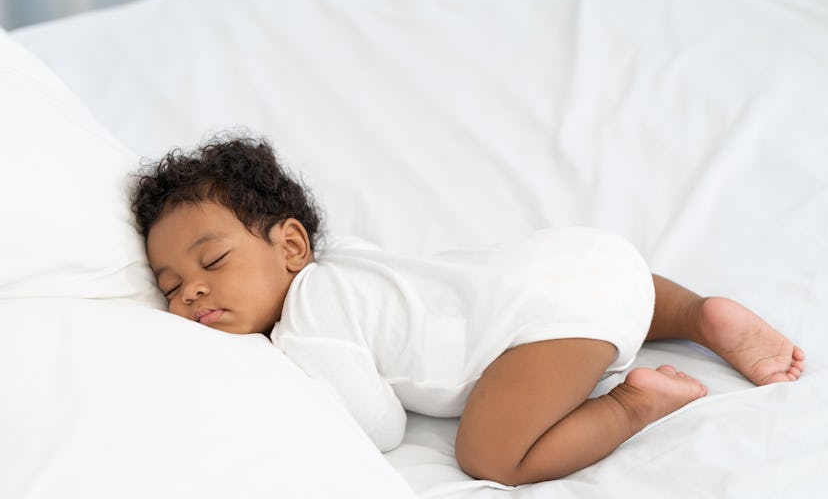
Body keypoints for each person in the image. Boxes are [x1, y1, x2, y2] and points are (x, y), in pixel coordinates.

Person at [131, 135, 805, 486]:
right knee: (619, 292)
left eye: (212, 262)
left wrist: (300, 379)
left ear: (291, 246)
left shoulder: (309, 320)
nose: (189, 291)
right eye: (169, 285)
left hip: (540, 330)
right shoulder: (353, 263)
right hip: (581, 258)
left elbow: (382, 427)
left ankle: (634, 404)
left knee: (491, 457)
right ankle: (698, 316)